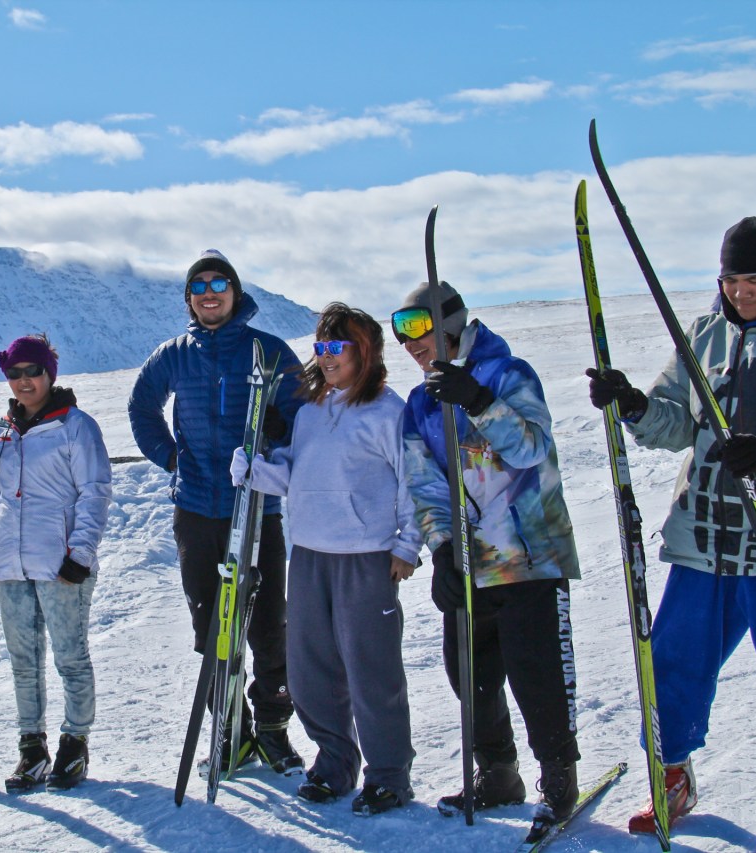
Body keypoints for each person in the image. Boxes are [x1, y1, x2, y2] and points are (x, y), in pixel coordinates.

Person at [587, 216, 756, 852]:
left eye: (754, 279)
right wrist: (635, 405)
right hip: (706, 539)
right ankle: (672, 775)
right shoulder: (704, 334)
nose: (740, 292)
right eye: (730, 280)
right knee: (671, 667)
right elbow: (675, 423)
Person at [396, 280, 582, 824]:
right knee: (468, 672)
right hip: (471, 562)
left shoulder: (509, 374)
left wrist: (477, 400)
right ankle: (498, 771)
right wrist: (442, 549)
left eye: (418, 329)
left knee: (537, 672)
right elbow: (425, 484)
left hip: (530, 556)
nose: (410, 345)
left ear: (452, 324)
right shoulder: (419, 401)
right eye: (401, 336)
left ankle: (558, 776)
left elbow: (531, 448)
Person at [231, 303, 422, 815]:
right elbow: (296, 474)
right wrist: (255, 471)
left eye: (340, 345)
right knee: (311, 669)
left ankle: (388, 775)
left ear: (366, 352)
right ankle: (335, 764)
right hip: (310, 553)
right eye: (322, 346)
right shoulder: (312, 412)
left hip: (367, 556)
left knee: (371, 670)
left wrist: (407, 546)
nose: (328, 355)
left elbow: (414, 482)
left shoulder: (387, 411)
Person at [128, 249, 305, 775]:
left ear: (235, 292)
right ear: (189, 297)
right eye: (199, 285)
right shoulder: (173, 354)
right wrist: (171, 458)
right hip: (197, 510)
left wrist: (279, 429)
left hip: (257, 510)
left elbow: (303, 415)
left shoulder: (268, 351)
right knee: (212, 628)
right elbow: (141, 408)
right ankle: (231, 730)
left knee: (269, 624)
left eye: (219, 283)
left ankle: (273, 729)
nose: (209, 292)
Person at [0, 334, 113, 793]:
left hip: (60, 564)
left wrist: (81, 555)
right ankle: (32, 748)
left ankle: (75, 743)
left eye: (32, 371)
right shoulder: (2, 432)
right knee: (23, 660)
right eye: (14, 374)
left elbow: (95, 493)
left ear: (50, 372)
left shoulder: (76, 426)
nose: (24, 381)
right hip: (11, 563)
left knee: (70, 656)